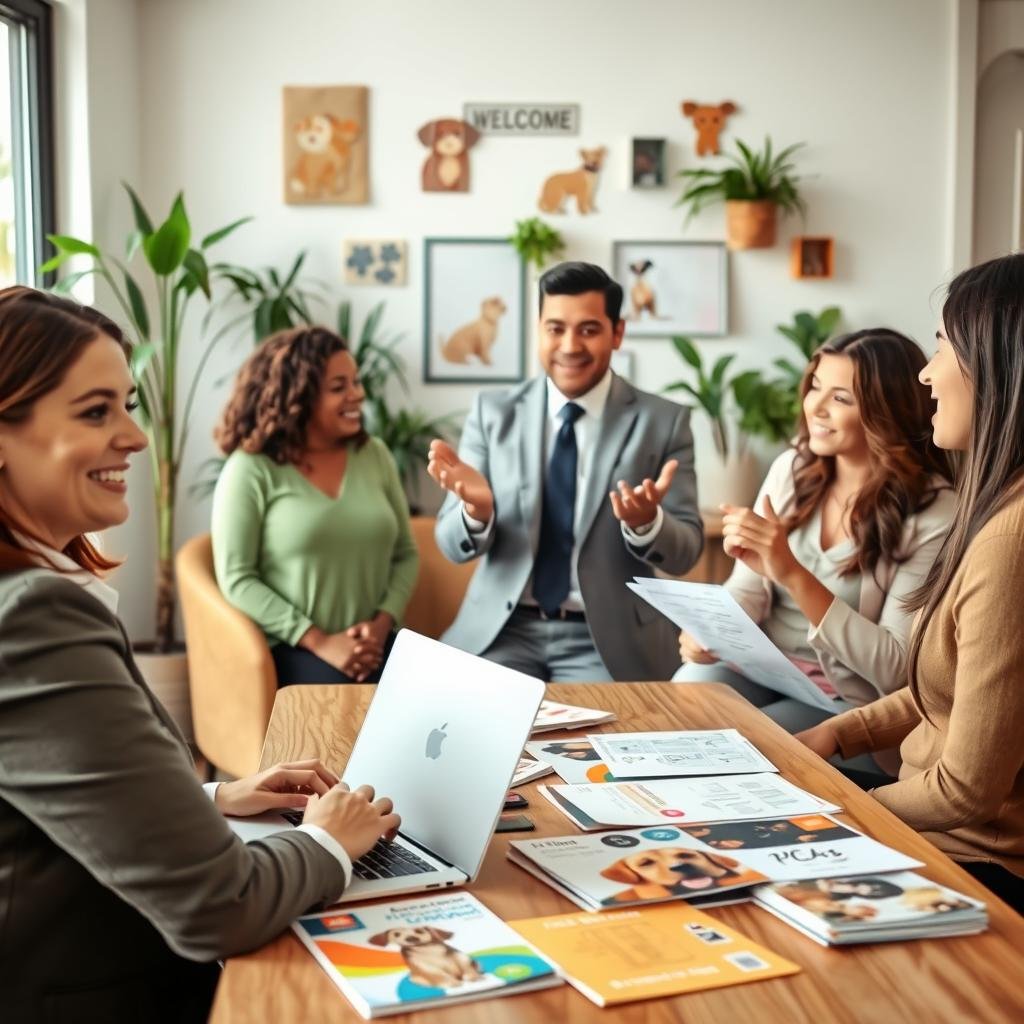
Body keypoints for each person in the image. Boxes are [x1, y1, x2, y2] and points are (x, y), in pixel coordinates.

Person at [0, 287, 400, 1022]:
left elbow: (46, 807)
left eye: (127, 404)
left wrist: (214, 799)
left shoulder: (38, 590)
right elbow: (221, 908)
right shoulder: (32, 616)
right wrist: (329, 843)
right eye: (96, 412)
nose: (136, 436)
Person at [798, 253, 1024, 914]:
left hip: (971, 858)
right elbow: (950, 688)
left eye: (942, 347)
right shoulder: (994, 510)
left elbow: (966, 790)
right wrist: (841, 735)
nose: (927, 374)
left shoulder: (1008, 540)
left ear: (1000, 366)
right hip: (933, 833)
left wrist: (842, 803)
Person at [675, 329, 954, 782]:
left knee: (741, 754)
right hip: (763, 669)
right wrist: (710, 633)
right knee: (680, 699)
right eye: (815, 388)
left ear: (886, 409)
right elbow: (747, 589)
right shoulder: (793, 468)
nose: (816, 408)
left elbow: (896, 668)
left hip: (847, 704)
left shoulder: (932, 511)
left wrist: (792, 572)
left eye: (840, 397)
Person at [428, 261, 703, 681]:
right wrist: (476, 513)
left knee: (596, 744)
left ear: (618, 333)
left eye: (589, 330)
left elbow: (686, 551)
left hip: (604, 640)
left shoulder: (664, 421)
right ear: (538, 329)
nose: (570, 345)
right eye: (555, 328)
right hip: (503, 632)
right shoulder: (492, 413)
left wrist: (649, 524)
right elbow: (450, 544)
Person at [212, 326, 418, 685]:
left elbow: (406, 553)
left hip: (376, 643)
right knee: (341, 713)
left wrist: (381, 626)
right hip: (293, 648)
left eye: (356, 382)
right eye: (339, 387)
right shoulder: (250, 469)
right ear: (297, 397)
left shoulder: (374, 455)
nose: (357, 395)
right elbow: (238, 577)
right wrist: (319, 641)